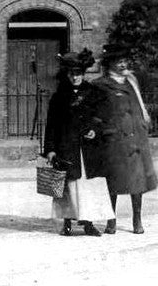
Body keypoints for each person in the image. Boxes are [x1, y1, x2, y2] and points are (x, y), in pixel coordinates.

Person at [42, 49, 111, 236]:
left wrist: (94, 130)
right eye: (71, 74)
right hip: (67, 146)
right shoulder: (59, 97)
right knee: (68, 186)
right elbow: (52, 125)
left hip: (89, 149)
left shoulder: (93, 92)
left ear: (83, 74)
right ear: (67, 74)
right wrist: (50, 149)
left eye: (78, 73)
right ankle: (67, 223)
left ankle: (88, 223)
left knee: (89, 187)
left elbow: (103, 116)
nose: (75, 77)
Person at [91, 44, 156, 234]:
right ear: (110, 63)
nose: (123, 64)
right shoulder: (100, 85)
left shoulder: (131, 82)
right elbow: (92, 113)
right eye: (119, 61)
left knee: (137, 182)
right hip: (114, 140)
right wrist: (102, 129)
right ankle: (111, 220)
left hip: (136, 138)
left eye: (125, 60)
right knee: (113, 181)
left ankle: (137, 219)